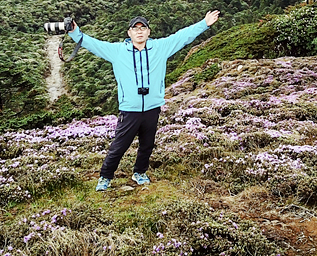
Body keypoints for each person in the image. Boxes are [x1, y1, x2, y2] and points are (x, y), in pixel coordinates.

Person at [67, 11, 221, 191]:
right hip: (130, 109)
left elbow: (182, 37)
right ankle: (105, 176)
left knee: (147, 144)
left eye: (143, 28)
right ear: (129, 33)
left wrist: (204, 23)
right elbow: (92, 44)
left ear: (149, 32)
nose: (139, 32)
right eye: (135, 28)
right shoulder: (117, 51)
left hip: (152, 107)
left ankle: (139, 172)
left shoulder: (161, 47)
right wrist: (74, 32)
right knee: (119, 146)